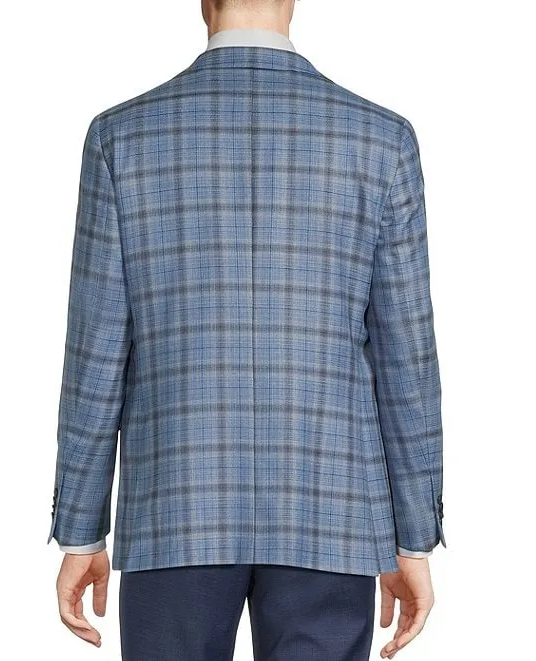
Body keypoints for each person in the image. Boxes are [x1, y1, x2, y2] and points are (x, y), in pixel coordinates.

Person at [48, 1, 446, 659]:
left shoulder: (121, 137)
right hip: (331, 510)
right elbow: (408, 360)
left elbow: (95, 352)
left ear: (201, 3)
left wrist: (81, 531)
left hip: (175, 510)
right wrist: (413, 537)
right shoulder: (381, 140)